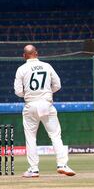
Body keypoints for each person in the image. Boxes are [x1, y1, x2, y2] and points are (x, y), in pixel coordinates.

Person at [14, 45, 75, 178]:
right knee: (55, 135)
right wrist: (46, 93)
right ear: (36, 53)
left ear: (24, 56)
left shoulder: (21, 69)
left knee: (31, 138)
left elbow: (18, 92)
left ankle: (33, 169)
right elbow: (57, 85)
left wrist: (31, 94)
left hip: (30, 105)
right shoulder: (47, 66)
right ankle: (62, 165)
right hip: (46, 104)